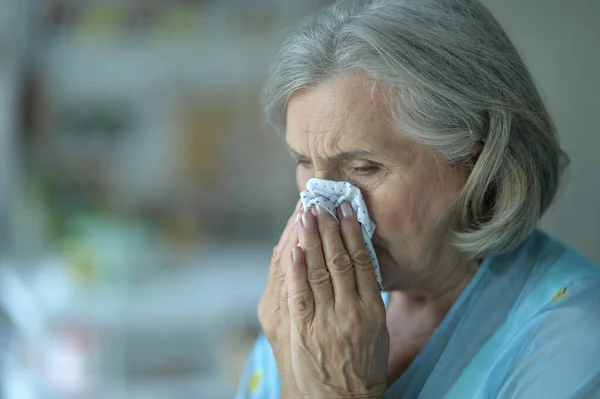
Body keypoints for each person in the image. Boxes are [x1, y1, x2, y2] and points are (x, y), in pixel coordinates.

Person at [236, 0, 600, 398]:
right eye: (304, 162)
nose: (318, 208)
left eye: (364, 167)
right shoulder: (314, 307)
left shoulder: (574, 339)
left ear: (475, 161)